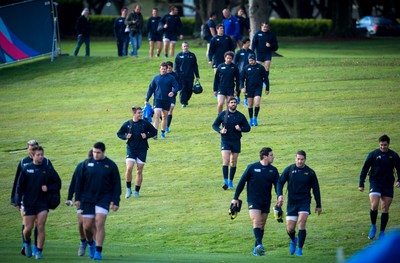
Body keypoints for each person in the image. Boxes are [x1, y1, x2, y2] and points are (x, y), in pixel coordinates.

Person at [75, 142, 121, 260]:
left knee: (99, 222)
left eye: (98, 152)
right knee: (87, 226)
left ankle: (98, 251)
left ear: (103, 152)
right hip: (88, 198)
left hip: (103, 198)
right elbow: (79, 182)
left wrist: (115, 201)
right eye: (94, 152)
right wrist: (77, 198)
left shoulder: (111, 165)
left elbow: (117, 184)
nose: (95, 154)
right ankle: (91, 244)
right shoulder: (86, 164)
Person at [15, 145, 62, 259]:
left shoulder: (47, 169)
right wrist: (17, 201)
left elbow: (58, 182)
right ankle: (27, 243)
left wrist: (49, 188)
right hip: (28, 203)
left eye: (42, 155)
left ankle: (39, 251)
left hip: (42, 203)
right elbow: (19, 187)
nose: (40, 157)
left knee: (40, 226)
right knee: (28, 229)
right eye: (38, 155)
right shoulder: (26, 169)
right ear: (33, 155)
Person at [231, 147, 280, 256]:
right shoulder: (252, 168)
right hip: (253, 200)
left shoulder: (273, 170)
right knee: (256, 221)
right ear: (265, 156)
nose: (273, 157)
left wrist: (279, 195)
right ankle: (260, 245)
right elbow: (241, 183)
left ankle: (256, 249)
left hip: (266, 200)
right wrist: (235, 197)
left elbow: (278, 185)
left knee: (262, 224)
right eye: (271, 155)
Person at [277, 150, 322, 257]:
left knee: (301, 223)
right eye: (298, 159)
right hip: (292, 202)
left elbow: (316, 189)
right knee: (290, 228)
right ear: (295, 158)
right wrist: (280, 194)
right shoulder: (289, 169)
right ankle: (293, 240)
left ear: (305, 160)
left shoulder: (310, 172)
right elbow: (280, 182)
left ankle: (300, 250)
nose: (300, 161)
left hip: (304, 201)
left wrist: (318, 204)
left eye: (302, 159)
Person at [359, 134, 400, 240]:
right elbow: (364, 169)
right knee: (374, 204)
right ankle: (373, 226)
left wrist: (399, 180)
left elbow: (399, 169)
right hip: (375, 182)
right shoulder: (373, 154)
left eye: (385, 145)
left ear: (388, 144)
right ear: (379, 144)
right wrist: (361, 183)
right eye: (381, 145)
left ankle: (382, 232)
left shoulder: (394, 156)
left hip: (387, 184)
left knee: (385, 208)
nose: (383, 147)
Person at [117, 106, 157, 199]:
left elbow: (154, 131)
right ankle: (128, 189)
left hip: (142, 150)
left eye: (141, 113)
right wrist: (126, 136)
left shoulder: (144, 123)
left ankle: (136, 192)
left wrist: (146, 135)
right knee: (129, 168)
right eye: (139, 113)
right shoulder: (128, 124)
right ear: (134, 114)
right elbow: (119, 133)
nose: (141, 115)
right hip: (131, 149)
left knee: (139, 170)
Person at [212, 97, 250, 190]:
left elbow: (248, 128)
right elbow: (214, 125)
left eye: (234, 102)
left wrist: (240, 129)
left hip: (236, 141)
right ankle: (225, 182)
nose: (233, 104)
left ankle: (231, 181)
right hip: (225, 140)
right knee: (226, 160)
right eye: (231, 102)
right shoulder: (223, 114)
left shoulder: (240, 116)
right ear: (228, 104)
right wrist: (220, 130)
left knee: (233, 161)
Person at [66, 149, 96, 257]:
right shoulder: (81, 167)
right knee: (81, 222)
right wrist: (70, 198)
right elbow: (74, 182)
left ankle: (92, 245)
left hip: (95, 200)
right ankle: (83, 242)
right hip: (82, 199)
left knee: (91, 224)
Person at [145, 62, 179, 139]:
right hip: (157, 100)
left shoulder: (171, 78)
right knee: (156, 115)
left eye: (164, 69)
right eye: (162, 69)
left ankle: (162, 133)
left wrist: (173, 92)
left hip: (167, 100)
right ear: (160, 69)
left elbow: (176, 86)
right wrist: (147, 99)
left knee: (164, 116)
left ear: (167, 69)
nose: (163, 70)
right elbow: (151, 89)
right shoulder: (156, 78)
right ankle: (155, 133)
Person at [240, 54, 269, 126]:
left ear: (255, 59)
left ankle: (255, 118)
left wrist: (267, 88)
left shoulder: (260, 67)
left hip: (258, 88)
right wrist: (242, 87)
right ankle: (251, 119)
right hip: (249, 88)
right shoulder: (246, 68)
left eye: (252, 60)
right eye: (250, 60)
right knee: (250, 104)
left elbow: (265, 78)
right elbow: (241, 78)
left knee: (257, 103)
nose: (251, 62)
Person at [174, 42, 200, 108]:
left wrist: (197, 75)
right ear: (182, 47)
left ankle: (186, 100)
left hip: (190, 76)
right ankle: (183, 102)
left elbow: (195, 66)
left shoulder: (192, 55)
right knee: (183, 89)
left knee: (189, 89)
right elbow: (176, 66)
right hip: (181, 76)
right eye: (184, 46)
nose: (186, 47)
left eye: (187, 46)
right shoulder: (179, 55)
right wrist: (177, 75)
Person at [233, 38, 254, 106]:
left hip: (249, 72)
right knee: (239, 86)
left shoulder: (251, 52)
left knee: (248, 86)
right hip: (240, 72)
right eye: (248, 42)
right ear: (244, 43)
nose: (249, 44)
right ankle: (238, 97)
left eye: (249, 42)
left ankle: (246, 100)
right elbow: (234, 62)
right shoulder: (238, 52)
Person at [165, 61, 179, 133]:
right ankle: (165, 121)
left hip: (172, 96)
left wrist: (174, 91)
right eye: (168, 68)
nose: (169, 69)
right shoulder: (163, 75)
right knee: (163, 113)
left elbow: (179, 85)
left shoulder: (175, 75)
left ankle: (167, 127)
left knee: (170, 110)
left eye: (170, 68)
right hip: (163, 96)